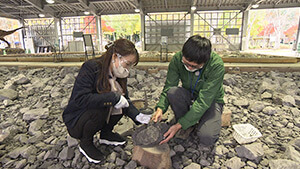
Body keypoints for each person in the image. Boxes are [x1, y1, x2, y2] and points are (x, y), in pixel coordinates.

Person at [62, 39, 151, 163]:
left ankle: (106, 133)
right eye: (127, 64)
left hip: (96, 115)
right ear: (115, 57)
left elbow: (126, 100)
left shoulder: (119, 74)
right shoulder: (92, 67)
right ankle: (86, 142)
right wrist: (112, 98)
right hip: (77, 120)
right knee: (106, 103)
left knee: (120, 103)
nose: (128, 69)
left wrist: (138, 116)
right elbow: (80, 99)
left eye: (131, 65)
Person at [152, 35, 224, 146]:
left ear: (205, 61)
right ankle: (187, 123)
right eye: (186, 64)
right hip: (190, 94)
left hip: (210, 100)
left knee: (207, 138)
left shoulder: (216, 65)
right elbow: (169, 86)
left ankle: (187, 121)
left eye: (194, 66)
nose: (189, 68)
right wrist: (160, 108)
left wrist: (178, 125)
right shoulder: (177, 59)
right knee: (172, 92)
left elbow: (204, 101)